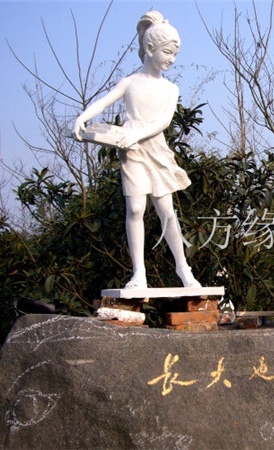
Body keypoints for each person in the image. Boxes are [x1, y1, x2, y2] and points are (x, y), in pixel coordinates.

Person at [72, 11, 200, 288]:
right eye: (167, 52)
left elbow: (163, 122)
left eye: (175, 54)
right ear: (150, 48)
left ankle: (183, 269)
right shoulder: (129, 82)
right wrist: (83, 118)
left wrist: (136, 134)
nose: (171, 59)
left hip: (155, 150)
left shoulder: (170, 88)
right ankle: (139, 272)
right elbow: (103, 102)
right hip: (131, 151)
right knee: (136, 208)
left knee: (167, 211)